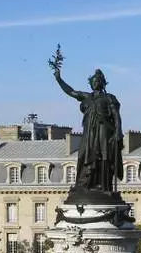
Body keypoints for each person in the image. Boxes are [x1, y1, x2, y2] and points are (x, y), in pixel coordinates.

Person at [53, 61, 123, 194]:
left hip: (104, 129)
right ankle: (84, 184)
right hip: (89, 131)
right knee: (84, 154)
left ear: (102, 82)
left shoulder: (109, 98)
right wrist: (59, 79)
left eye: (97, 80)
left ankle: (103, 186)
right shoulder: (86, 96)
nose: (95, 83)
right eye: (93, 81)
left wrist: (118, 132)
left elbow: (116, 116)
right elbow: (71, 92)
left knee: (103, 156)